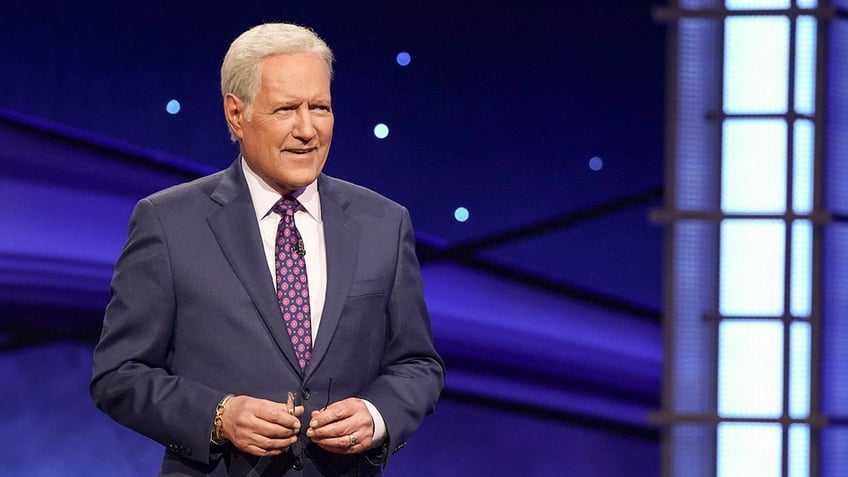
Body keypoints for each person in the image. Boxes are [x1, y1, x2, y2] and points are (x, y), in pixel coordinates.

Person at [90, 22, 445, 477]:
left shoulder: (384, 222)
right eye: (285, 109)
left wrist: (377, 416)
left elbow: (417, 363)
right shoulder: (168, 222)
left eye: (320, 107)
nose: (307, 129)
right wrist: (218, 415)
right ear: (236, 115)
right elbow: (118, 374)